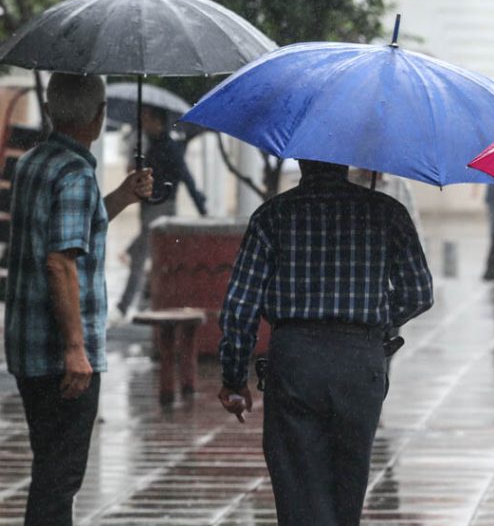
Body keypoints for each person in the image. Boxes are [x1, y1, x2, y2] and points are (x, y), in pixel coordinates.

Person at [216, 159, 433, 526]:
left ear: (300, 159)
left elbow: (241, 305)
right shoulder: (387, 212)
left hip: (295, 360)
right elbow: (419, 293)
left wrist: (234, 378)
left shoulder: (273, 215)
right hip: (359, 362)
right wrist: (374, 318)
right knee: (347, 488)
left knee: (299, 489)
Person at [5, 73, 153, 525]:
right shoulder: (76, 173)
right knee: (60, 478)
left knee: (49, 466)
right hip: (60, 355)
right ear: (99, 115)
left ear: (50, 110)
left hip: (27, 345)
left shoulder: (33, 162)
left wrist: (122, 196)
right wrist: (75, 348)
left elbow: (71, 228)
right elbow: (60, 262)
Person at [117, 105, 208, 315]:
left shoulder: (169, 147)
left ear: (157, 121)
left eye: (146, 119)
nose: (143, 123)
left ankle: (127, 304)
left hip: (161, 208)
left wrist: (202, 208)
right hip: (149, 207)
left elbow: (186, 177)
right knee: (149, 255)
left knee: (142, 257)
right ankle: (144, 300)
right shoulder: (150, 145)